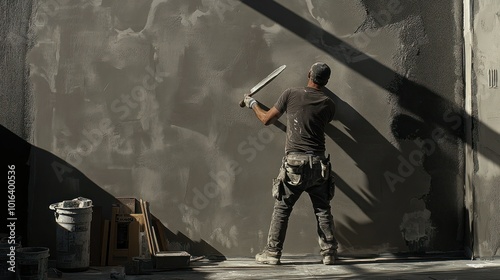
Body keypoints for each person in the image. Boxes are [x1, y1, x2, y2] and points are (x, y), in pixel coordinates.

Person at [243, 62, 338, 265]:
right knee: (322, 209)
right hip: (319, 164)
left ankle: (272, 253)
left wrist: (251, 103)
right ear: (326, 82)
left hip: (295, 163)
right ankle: (329, 253)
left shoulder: (291, 94)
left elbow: (267, 119)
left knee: (282, 209)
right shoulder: (329, 104)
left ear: (308, 74)